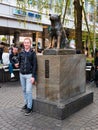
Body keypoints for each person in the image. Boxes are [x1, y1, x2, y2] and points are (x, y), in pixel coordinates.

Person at [15, 37, 37, 116]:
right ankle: (26, 103)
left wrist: (33, 76)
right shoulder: (21, 52)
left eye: (28, 42)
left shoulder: (32, 53)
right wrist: (17, 65)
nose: (26, 44)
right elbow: (19, 62)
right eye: (25, 43)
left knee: (28, 91)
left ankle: (29, 107)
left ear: (30, 44)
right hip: (22, 74)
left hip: (29, 75)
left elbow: (35, 65)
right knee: (24, 90)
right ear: (23, 44)